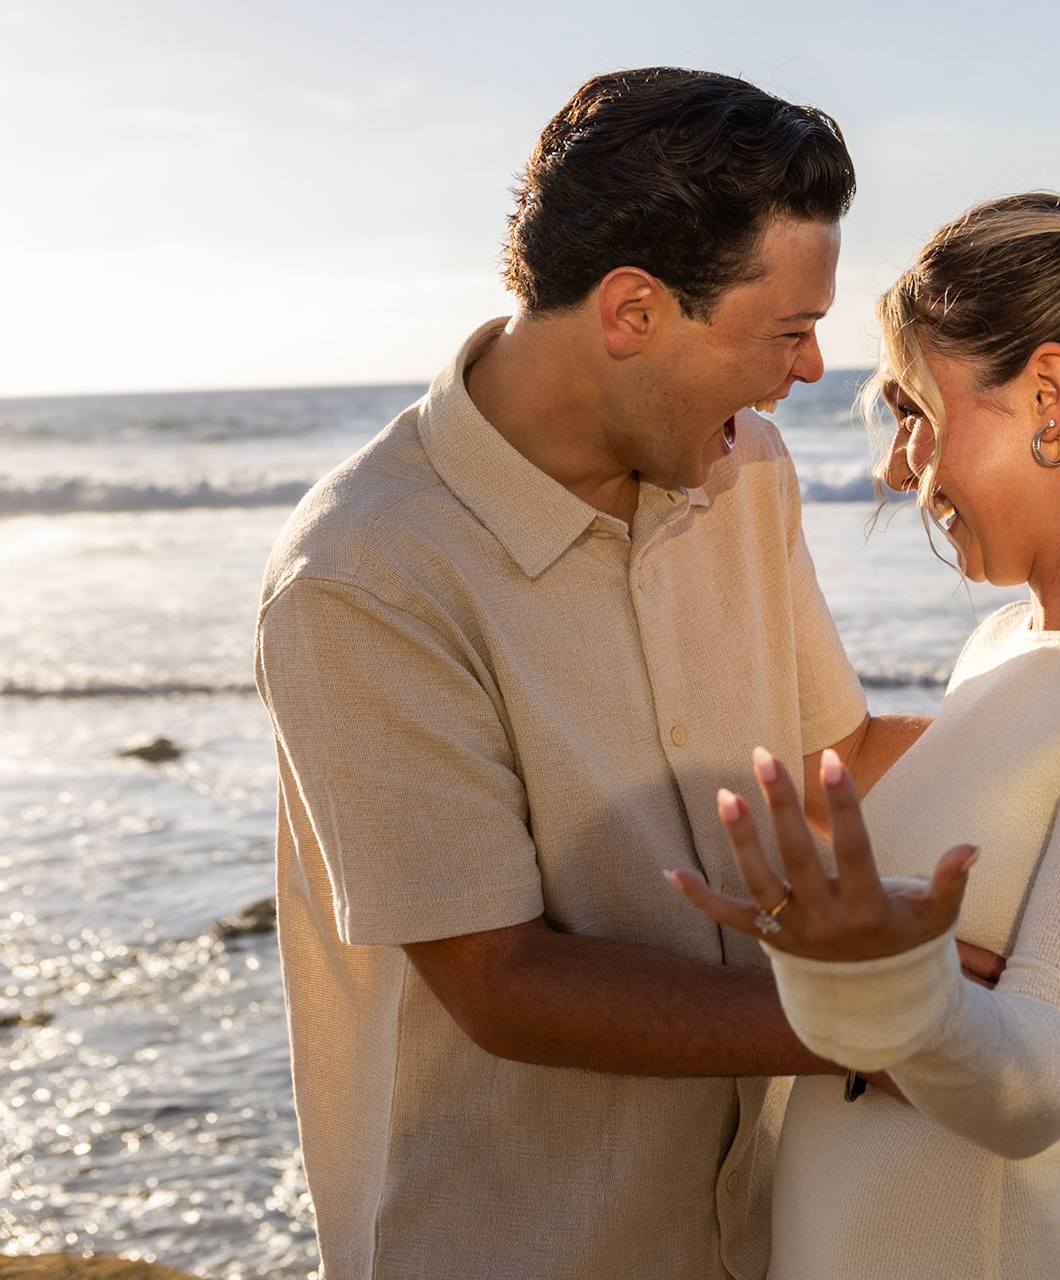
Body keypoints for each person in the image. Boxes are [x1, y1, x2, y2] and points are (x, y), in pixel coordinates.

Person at [254, 68, 931, 1280]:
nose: (813, 367)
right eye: (788, 329)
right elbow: (503, 980)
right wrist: (874, 1019)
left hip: (767, 1238)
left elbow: (835, 759)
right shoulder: (362, 574)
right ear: (632, 311)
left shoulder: (747, 468)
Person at [671, 127, 1060, 1278]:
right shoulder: (1009, 643)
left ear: (1049, 393)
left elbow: (1039, 1083)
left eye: (918, 410)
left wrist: (877, 982)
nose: (898, 466)